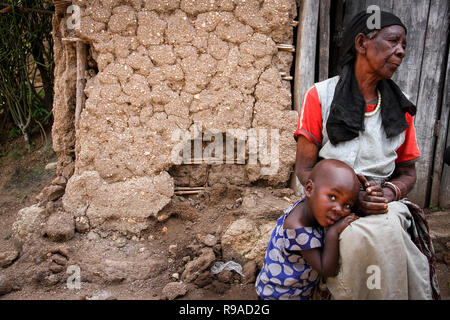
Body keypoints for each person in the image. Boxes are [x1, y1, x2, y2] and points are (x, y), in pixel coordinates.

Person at [294, 10, 439, 299]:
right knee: (359, 237)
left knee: (388, 231)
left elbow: (408, 173)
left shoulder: (400, 108)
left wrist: (388, 193)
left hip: (383, 203)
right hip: (333, 202)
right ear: (362, 43)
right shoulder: (320, 96)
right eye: (392, 42)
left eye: (404, 46)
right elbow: (305, 168)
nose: (400, 52)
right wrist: (346, 198)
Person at [255, 159, 360, 300]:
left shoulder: (309, 207)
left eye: (347, 205)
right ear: (309, 189)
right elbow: (325, 269)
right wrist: (333, 233)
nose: (339, 209)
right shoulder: (298, 228)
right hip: (280, 296)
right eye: (332, 197)